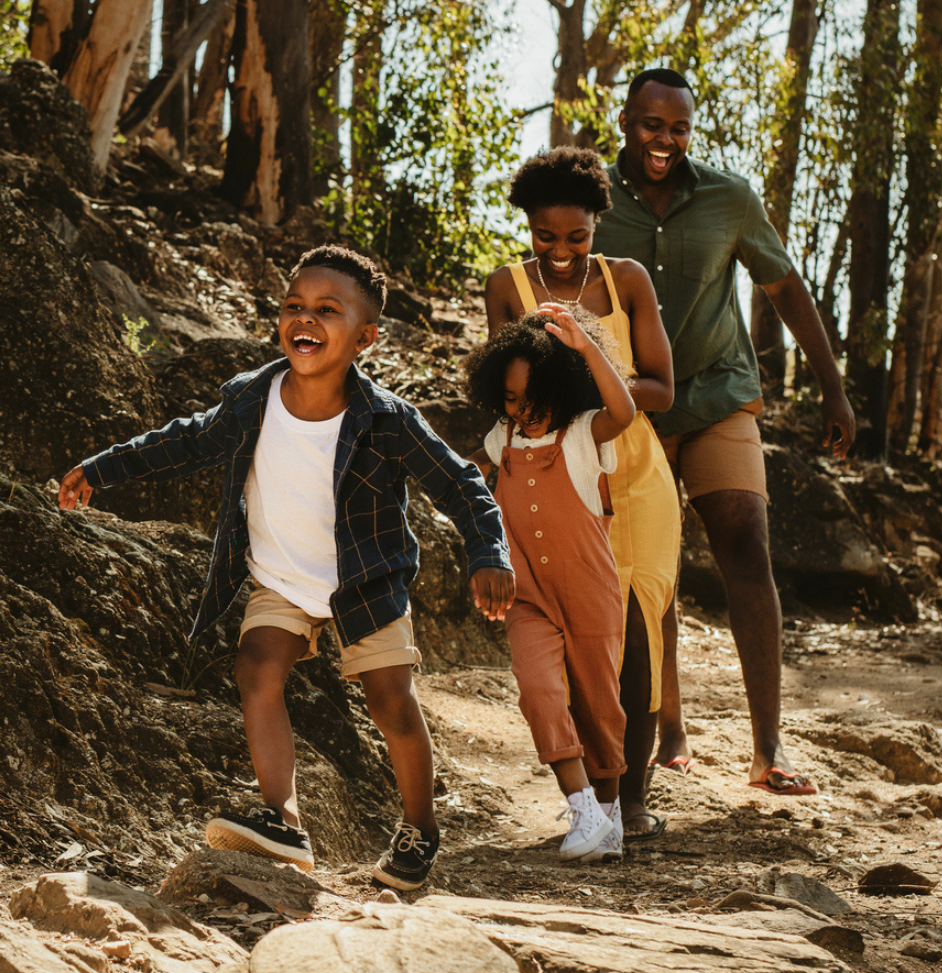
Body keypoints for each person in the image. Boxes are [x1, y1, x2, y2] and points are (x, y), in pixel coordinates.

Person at [59, 244, 515, 890]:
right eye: (294, 305)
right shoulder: (252, 399)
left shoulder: (387, 420)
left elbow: (460, 483)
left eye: (328, 310)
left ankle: (420, 827)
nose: (305, 318)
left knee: (390, 703)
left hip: (365, 582)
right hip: (281, 579)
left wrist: (487, 552)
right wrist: (104, 468)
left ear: (366, 337)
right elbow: (186, 441)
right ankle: (284, 820)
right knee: (256, 668)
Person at [592, 68, 857, 795]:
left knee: (745, 536)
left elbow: (785, 287)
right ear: (624, 119)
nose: (665, 140)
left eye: (678, 128)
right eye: (652, 124)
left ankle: (768, 747)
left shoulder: (729, 198)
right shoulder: (594, 199)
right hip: (634, 405)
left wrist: (833, 389)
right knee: (653, 570)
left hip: (718, 395)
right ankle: (668, 728)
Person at [485, 147, 680, 841]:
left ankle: (632, 798)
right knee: (568, 644)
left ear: (599, 225)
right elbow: (504, 387)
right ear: (528, 226)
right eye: (546, 236)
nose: (562, 252)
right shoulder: (506, 285)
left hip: (631, 469)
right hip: (559, 474)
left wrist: (590, 374)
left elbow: (659, 387)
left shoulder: (627, 280)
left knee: (636, 630)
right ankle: (591, 801)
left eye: (577, 237)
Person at [466, 305, 636, 860]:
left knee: (598, 705)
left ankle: (608, 818)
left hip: (590, 593)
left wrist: (587, 347)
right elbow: (464, 477)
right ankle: (582, 806)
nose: (524, 410)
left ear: (566, 385)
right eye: (512, 399)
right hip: (528, 596)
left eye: (536, 397)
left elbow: (626, 410)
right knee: (538, 690)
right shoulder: (501, 439)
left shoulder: (585, 433)